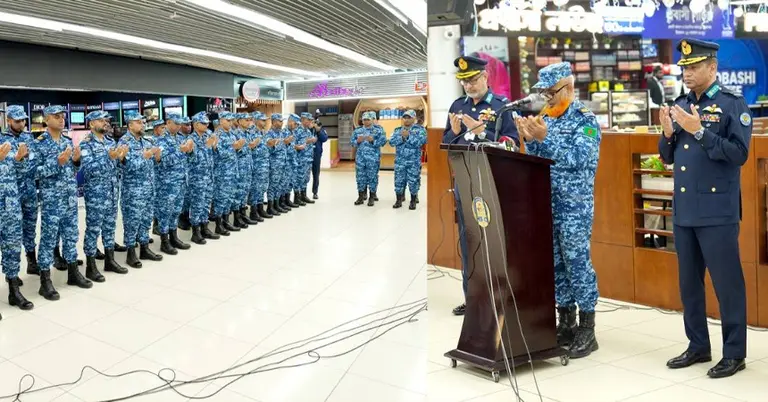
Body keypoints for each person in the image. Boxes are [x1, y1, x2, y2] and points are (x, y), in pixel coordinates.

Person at [658, 39, 751, 379]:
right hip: (685, 211)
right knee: (689, 285)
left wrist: (699, 132)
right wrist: (668, 134)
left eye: (694, 67)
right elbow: (667, 157)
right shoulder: (681, 104)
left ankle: (734, 353)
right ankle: (698, 345)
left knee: (727, 286)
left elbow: (739, 154)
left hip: (717, 211)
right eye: (684, 68)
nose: (687, 73)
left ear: (712, 68)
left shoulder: (731, 104)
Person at [516, 61, 601, 358]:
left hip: (574, 205)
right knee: (556, 265)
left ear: (568, 87)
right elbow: (540, 157)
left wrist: (544, 138)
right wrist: (529, 139)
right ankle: (565, 323)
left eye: (551, 92)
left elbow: (579, 158)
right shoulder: (546, 117)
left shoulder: (585, 120)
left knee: (577, 264)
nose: (547, 98)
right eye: (544, 93)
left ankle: (587, 329)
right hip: (547, 202)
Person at [441, 55, 519, 316]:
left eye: (473, 79)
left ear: (485, 77)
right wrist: (454, 133)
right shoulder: (456, 106)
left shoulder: (502, 106)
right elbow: (446, 141)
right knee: (469, 241)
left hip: (493, 182)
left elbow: (513, 144)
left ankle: (500, 299)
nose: (468, 85)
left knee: (494, 242)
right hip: (466, 182)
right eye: (464, 81)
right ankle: (473, 298)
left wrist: (481, 133)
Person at [33, 105, 93, 299]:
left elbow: (72, 171)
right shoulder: (39, 143)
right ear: (46, 120)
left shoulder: (67, 141)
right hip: (52, 200)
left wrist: (76, 162)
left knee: (71, 235)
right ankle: (45, 281)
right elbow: (33, 173)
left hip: (69, 199)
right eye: (56, 116)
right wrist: (56, 163)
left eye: (62, 116)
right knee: (48, 239)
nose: (61, 119)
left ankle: (73, 272)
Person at [79, 110, 129, 281]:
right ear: (92, 123)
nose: (105, 123)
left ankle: (110, 260)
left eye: (106, 120)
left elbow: (117, 167)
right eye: (101, 120)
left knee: (110, 226)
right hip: (96, 194)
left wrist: (122, 159)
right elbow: (89, 170)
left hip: (112, 191)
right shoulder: (86, 144)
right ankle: (91, 266)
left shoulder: (110, 141)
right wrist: (109, 158)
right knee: (93, 229)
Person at [0, 106, 35, 314]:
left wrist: (19, 159)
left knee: (12, 246)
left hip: (11, 203)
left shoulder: (14, 141)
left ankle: (14, 291)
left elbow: (20, 172)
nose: (21, 123)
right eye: (17, 120)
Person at [119, 111, 162, 268]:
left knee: (146, 219)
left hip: (148, 188)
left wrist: (157, 157)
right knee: (132, 221)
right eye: (139, 122)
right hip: (133, 191)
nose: (143, 125)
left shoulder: (146, 141)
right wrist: (146, 156)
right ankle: (131, 252)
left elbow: (154, 163)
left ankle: (144, 248)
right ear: (130, 125)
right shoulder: (124, 143)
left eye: (143, 122)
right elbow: (127, 166)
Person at [3, 106, 40, 276]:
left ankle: (32, 261)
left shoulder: (28, 137)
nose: (21, 124)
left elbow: (34, 161)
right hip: (10, 194)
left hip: (29, 190)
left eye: (23, 120)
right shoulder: (2, 139)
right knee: (12, 233)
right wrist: (17, 160)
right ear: (9, 120)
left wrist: (21, 163)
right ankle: (12, 273)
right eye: (17, 121)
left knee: (30, 227)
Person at [390, 110, 427, 210]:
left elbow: (421, 142)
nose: (406, 120)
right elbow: (392, 142)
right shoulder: (398, 130)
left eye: (409, 117)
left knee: (413, 181)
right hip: (400, 161)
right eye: (405, 117)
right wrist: (402, 138)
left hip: (413, 162)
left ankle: (413, 200)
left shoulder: (420, 130)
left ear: (414, 118)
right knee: (398, 181)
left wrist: (409, 136)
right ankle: (398, 200)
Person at [351, 111, 386, 206]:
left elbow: (383, 142)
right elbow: (352, 142)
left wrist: (373, 141)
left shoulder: (378, 130)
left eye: (368, 119)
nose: (366, 121)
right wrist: (357, 141)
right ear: (362, 121)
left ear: (372, 120)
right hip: (360, 159)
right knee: (360, 177)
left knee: (372, 177)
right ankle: (360, 197)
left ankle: (372, 197)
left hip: (373, 159)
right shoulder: (357, 131)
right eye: (364, 120)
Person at [309, 114, 328, 200]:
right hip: (306, 154)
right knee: (303, 174)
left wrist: (318, 131)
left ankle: (315, 192)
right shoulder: (307, 129)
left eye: (315, 122)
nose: (314, 124)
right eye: (312, 122)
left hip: (316, 155)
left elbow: (324, 139)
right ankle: (302, 193)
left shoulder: (321, 129)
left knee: (316, 174)